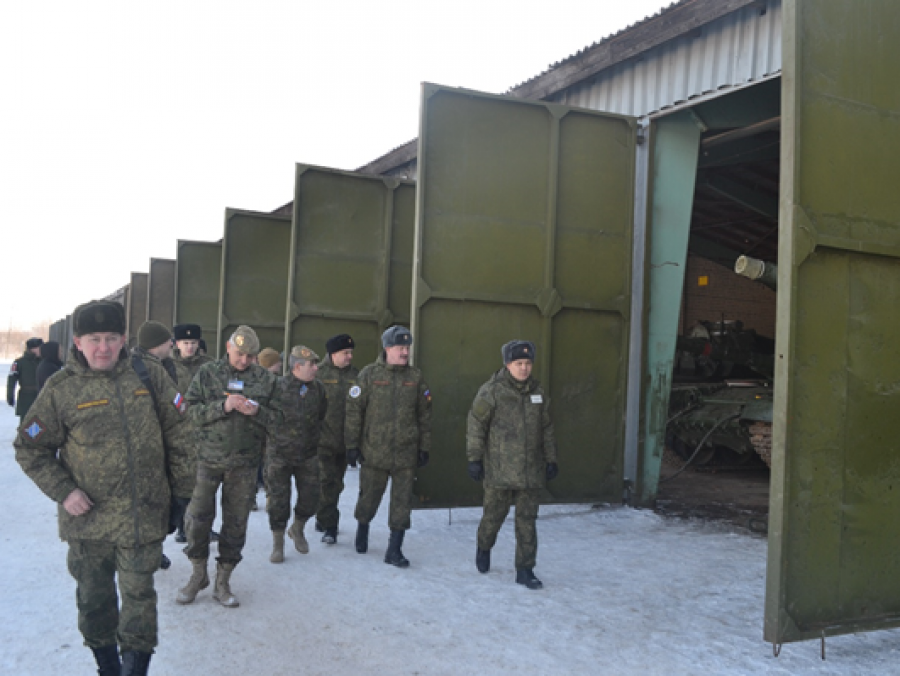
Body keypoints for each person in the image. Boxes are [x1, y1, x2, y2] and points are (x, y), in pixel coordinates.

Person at [14, 300, 186, 675]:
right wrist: (64, 491)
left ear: (124, 339)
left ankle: (135, 667)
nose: (103, 347)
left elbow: (180, 433)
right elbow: (29, 447)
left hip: (142, 516)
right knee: (95, 602)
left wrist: (181, 495)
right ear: (78, 342)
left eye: (111, 338)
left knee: (140, 598)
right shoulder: (61, 389)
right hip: (88, 523)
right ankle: (106, 666)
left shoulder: (148, 375)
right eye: (94, 339)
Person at [177, 325, 282, 608]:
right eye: (239, 354)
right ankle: (198, 573)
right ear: (227, 347)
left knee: (235, 523)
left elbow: (282, 420)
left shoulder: (265, 379)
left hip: (245, 465)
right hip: (207, 460)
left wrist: (258, 411)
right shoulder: (208, 374)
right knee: (197, 519)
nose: (244, 361)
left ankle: (223, 580)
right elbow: (189, 411)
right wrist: (222, 407)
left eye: (250, 356)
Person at [466, 340, 558, 590]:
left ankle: (525, 569)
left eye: (528, 363)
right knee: (493, 517)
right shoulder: (492, 391)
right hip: (499, 471)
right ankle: (484, 547)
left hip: (531, 471)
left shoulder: (538, 393)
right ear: (507, 365)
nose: (524, 368)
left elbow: (547, 428)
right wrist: (474, 458)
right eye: (519, 363)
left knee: (527, 521)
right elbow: (476, 425)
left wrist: (551, 459)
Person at [345, 326, 431, 568]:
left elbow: (424, 414)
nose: (405, 352)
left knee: (402, 503)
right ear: (387, 349)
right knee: (368, 498)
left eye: (407, 348)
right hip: (374, 451)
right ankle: (363, 528)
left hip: (406, 452)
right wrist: (352, 445)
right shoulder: (369, 375)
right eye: (400, 348)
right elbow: (354, 412)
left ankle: (395, 549)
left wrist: (424, 446)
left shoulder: (415, 377)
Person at [132, 321, 196, 567]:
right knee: (157, 506)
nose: (172, 343)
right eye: (167, 340)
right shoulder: (154, 370)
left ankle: (150, 552)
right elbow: (178, 413)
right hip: (158, 448)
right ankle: (149, 553)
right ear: (156, 344)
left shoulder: (131, 365)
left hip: (138, 448)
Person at [266, 345, 327, 563]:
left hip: (308, 454)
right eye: (312, 365)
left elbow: (321, 415)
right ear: (297, 367)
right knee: (278, 501)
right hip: (279, 455)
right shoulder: (277, 387)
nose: (316, 369)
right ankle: (278, 543)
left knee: (311, 497)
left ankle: (298, 527)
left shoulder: (318, 389)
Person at [315, 333, 358, 544]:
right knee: (326, 482)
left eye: (351, 353)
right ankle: (330, 526)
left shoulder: (357, 377)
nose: (349, 357)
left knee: (336, 484)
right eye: (345, 353)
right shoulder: (319, 374)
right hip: (322, 442)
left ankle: (323, 515)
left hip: (345, 443)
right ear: (333, 354)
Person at [7, 337, 43, 418]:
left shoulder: (44, 362)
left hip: (42, 396)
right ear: (31, 349)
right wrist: (10, 396)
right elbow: (11, 380)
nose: (41, 350)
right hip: (26, 397)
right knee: (26, 424)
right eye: (39, 348)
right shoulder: (19, 363)